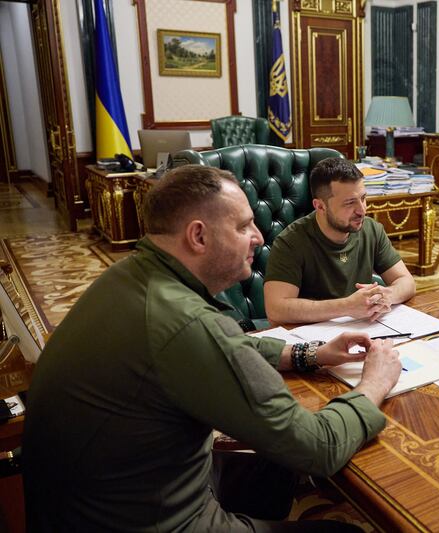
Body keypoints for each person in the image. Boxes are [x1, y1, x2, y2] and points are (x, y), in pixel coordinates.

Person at [22, 165, 402, 532]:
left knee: (274, 466)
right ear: (198, 237)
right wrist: (374, 384)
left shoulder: (134, 276)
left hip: (100, 501)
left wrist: (307, 353)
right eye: (243, 226)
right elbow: (319, 448)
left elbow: (224, 345)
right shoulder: (186, 322)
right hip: (150, 519)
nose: (258, 237)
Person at [264, 157, 416, 324]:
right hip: (314, 338)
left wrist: (387, 295)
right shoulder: (290, 242)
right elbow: (276, 310)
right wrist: (346, 306)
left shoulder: (371, 229)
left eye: (363, 198)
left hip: (365, 330)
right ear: (320, 206)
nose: (362, 210)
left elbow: (406, 281)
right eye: (350, 203)